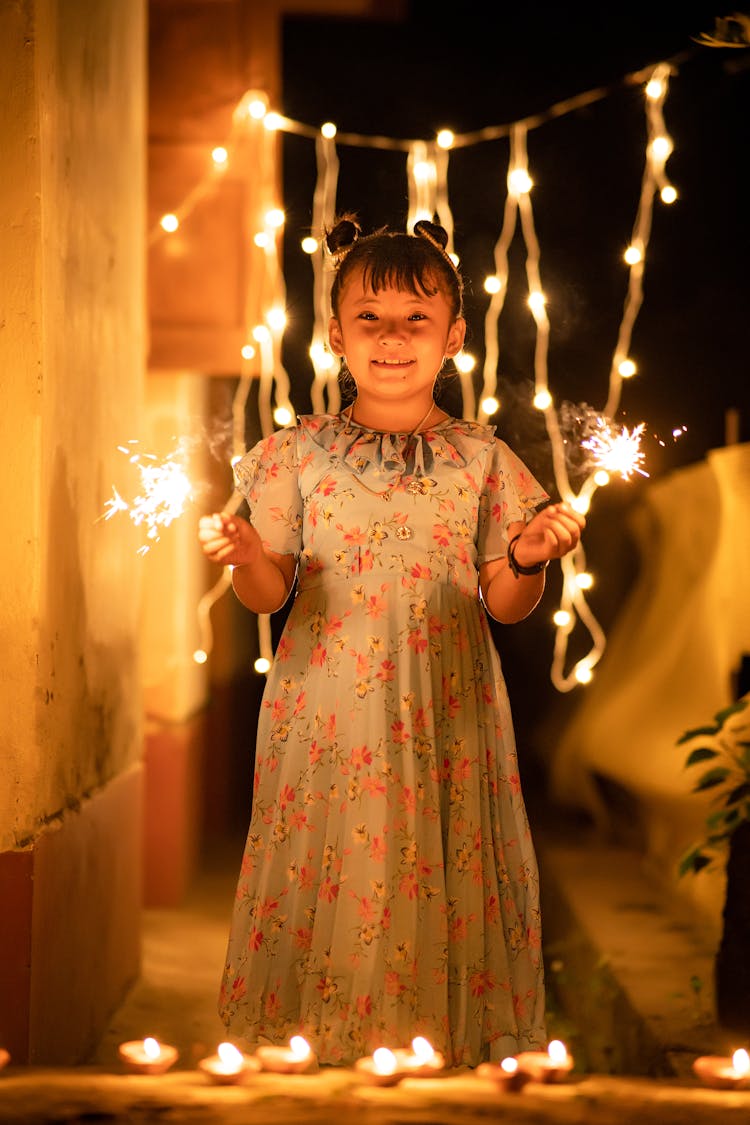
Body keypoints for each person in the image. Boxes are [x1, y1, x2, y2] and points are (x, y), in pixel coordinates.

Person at [197, 215, 585, 1067]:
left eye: (417, 317)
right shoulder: (296, 454)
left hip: (447, 703)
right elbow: (269, 590)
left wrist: (525, 557)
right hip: (326, 709)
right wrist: (250, 557)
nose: (393, 337)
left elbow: (507, 603)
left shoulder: (483, 459)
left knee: (433, 867)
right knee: (337, 868)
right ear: (335, 335)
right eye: (369, 317)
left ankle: (427, 1051)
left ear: (454, 334)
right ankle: (324, 1053)